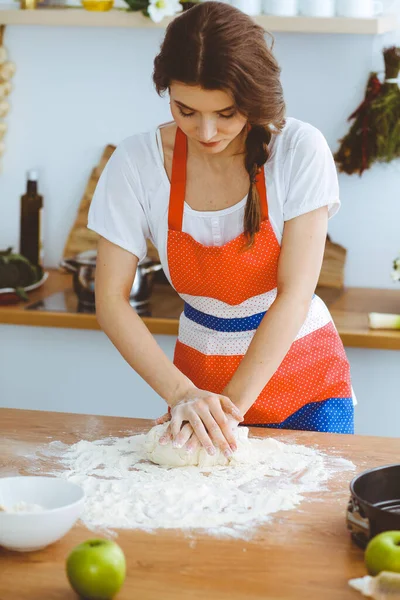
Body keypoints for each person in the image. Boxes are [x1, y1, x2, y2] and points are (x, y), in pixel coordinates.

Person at [88, 1, 355, 460]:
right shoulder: (136, 163)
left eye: (227, 114)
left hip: (306, 386)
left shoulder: (298, 150)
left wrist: (226, 413)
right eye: (185, 110)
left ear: (256, 100)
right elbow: (111, 299)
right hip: (195, 385)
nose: (206, 132)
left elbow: (294, 293)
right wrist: (184, 396)